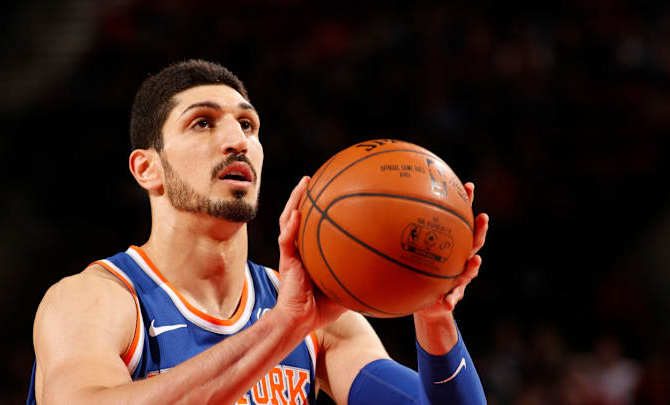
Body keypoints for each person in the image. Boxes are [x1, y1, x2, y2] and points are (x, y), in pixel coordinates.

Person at [27, 59, 490, 405]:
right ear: (147, 168)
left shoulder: (315, 317)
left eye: (247, 124)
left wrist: (433, 317)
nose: (237, 140)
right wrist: (282, 328)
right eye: (202, 123)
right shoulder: (95, 301)